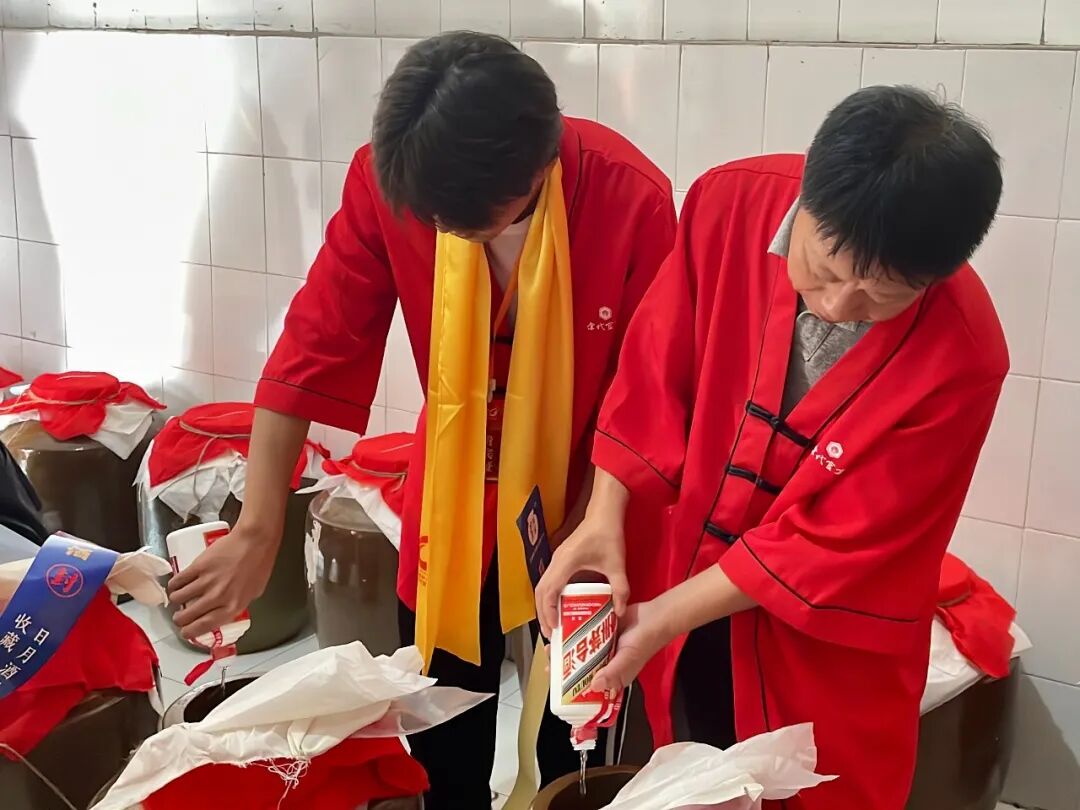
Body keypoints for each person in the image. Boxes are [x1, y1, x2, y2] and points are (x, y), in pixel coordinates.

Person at [167, 31, 676, 809]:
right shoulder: (391, 184)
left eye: (466, 224)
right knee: (442, 724)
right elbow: (311, 347)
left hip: (596, 494)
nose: (445, 234)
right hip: (455, 498)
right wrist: (258, 527)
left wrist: (587, 529)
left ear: (538, 169)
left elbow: (648, 393)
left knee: (573, 737)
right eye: (433, 219)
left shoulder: (629, 196)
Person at [536, 85, 1006, 810]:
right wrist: (603, 516)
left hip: (822, 646)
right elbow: (653, 372)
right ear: (807, 200)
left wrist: (661, 618)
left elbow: (840, 541)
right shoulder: (729, 205)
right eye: (824, 268)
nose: (838, 306)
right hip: (688, 575)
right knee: (690, 769)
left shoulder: (964, 356)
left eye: (881, 298)